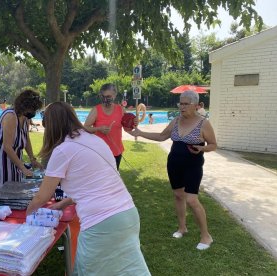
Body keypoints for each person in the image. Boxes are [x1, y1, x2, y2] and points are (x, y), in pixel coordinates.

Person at [26, 102, 150, 276]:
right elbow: (93, 184)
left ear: (51, 126)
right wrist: (63, 204)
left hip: (101, 223)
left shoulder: (63, 150)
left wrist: (27, 219)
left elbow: (41, 197)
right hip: (128, 215)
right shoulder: (94, 140)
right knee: (130, 271)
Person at [129, 90, 217, 250]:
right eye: (180, 103)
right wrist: (141, 133)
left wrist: (201, 149)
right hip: (174, 163)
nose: (181, 107)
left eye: (185, 104)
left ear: (196, 105)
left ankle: (206, 236)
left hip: (193, 165)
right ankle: (182, 228)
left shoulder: (203, 123)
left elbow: (213, 145)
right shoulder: (176, 121)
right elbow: (162, 136)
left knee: (191, 199)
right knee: (178, 195)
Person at [0, 89, 43, 190]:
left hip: (15, 157)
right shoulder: (10, 116)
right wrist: (23, 168)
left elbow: (26, 138)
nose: (33, 112)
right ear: (24, 106)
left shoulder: (26, 117)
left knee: (15, 188)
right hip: (1, 159)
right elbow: (7, 147)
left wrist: (32, 159)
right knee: (3, 190)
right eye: (32, 109)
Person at [84, 83, 139, 169]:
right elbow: (85, 128)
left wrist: (134, 123)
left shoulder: (120, 109)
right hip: (99, 152)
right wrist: (99, 129)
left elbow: (127, 129)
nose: (105, 99)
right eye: (103, 96)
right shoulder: (96, 110)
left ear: (114, 95)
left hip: (116, 151)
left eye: (108, 96)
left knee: (113, 178)